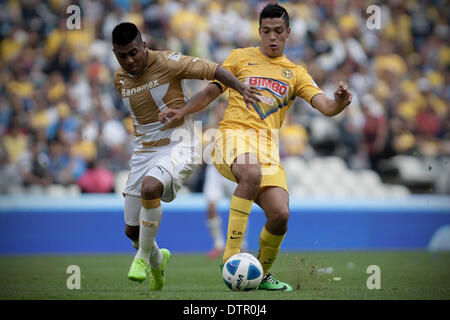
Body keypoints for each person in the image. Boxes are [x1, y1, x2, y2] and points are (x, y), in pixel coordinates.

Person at [159, 3, 352, 291]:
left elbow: (325, 106)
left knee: (280, 215)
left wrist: (339, 102)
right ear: (259, 31)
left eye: (278, 31)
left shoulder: (296, 73)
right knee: (250, 172)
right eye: (266, 31)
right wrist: (183, 111)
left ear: (288, 32)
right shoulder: (239, 57)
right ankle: (230, 256)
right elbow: (211, 92)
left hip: (268, 148)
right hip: (231, 137)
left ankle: (261, 274)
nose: (271, 37)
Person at [111, 22, 258, 291]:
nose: (129, 60)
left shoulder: (169, 62)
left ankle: (142, 257)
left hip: (180, 143)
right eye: (122, 56)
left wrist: (241, 88)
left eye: (134, 52)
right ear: (115, 54)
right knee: (132, 231)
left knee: (150, 187)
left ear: (143, 46)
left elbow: (216, 70)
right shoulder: (119, 79)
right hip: (144, 151)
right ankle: (158, 260)